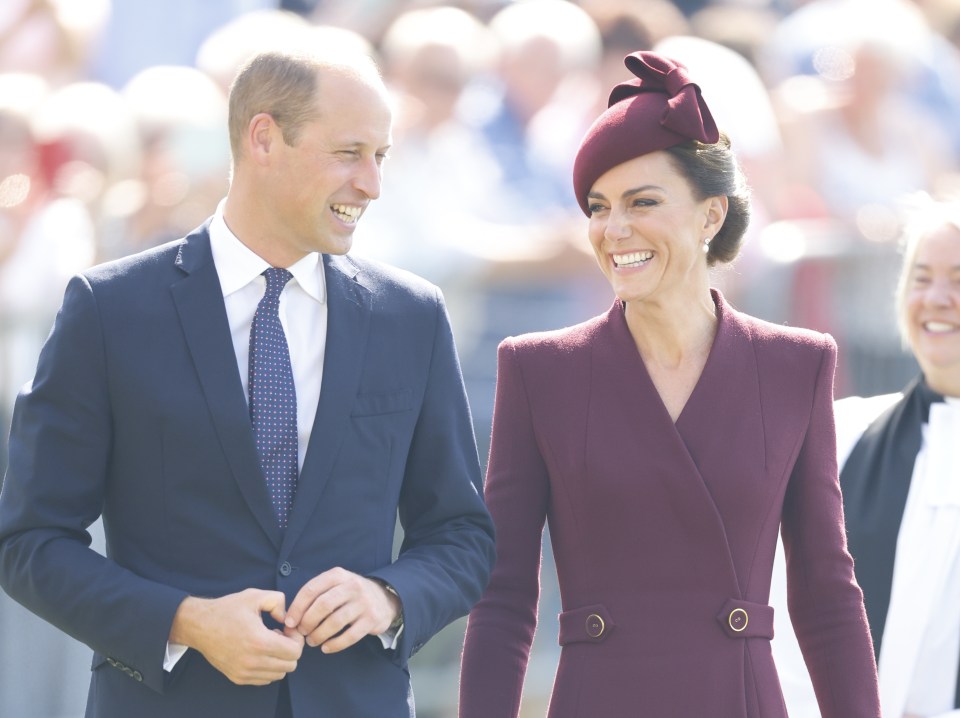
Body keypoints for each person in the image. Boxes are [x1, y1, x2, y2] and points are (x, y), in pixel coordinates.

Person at [0, 47, 495, 718]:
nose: (373, 184)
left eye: (382, 155)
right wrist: (184, 621)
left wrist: (390, 597)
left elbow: (462, 535)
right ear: (264, 138)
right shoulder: (110, 308)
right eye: (350, 153)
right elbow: (30, 541)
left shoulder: (410, 317)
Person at [457, 50, 881, 717]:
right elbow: (505, 597)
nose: (613, 229)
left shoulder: (798, 364)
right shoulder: (539, 368)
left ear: (712, 215)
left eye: (642, 202)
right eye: (598, 207)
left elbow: (827, 592)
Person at [772, 198, 960, 718]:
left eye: (959, 278)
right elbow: (789, 630)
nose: (937, 298)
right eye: (922, 278)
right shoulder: (843, 433)